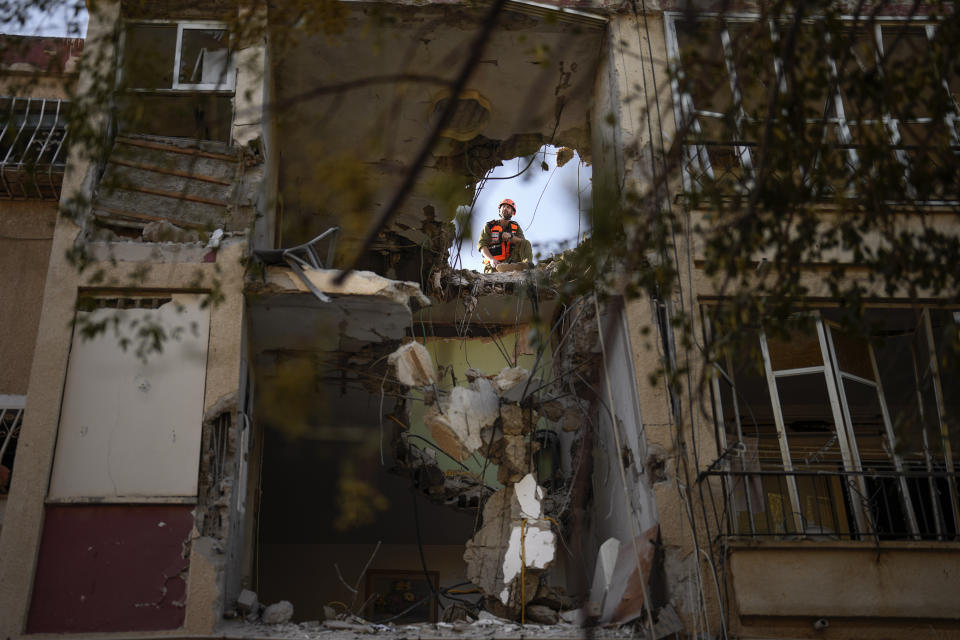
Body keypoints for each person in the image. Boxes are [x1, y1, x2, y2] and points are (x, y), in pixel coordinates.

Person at [478, 198, 533, 273]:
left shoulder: (516, 226)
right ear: (499, 210)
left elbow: (522, 243)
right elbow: (482, 246)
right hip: (494, 264)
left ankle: (527, 266)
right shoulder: (489, 226)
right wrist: (491, 260)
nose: (505, 208)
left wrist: (511, 237)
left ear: (512, 212)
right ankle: (504, 267)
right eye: (503, 206)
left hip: (510, 262)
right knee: (495, 266)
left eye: (508, 207)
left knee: (526, 243)